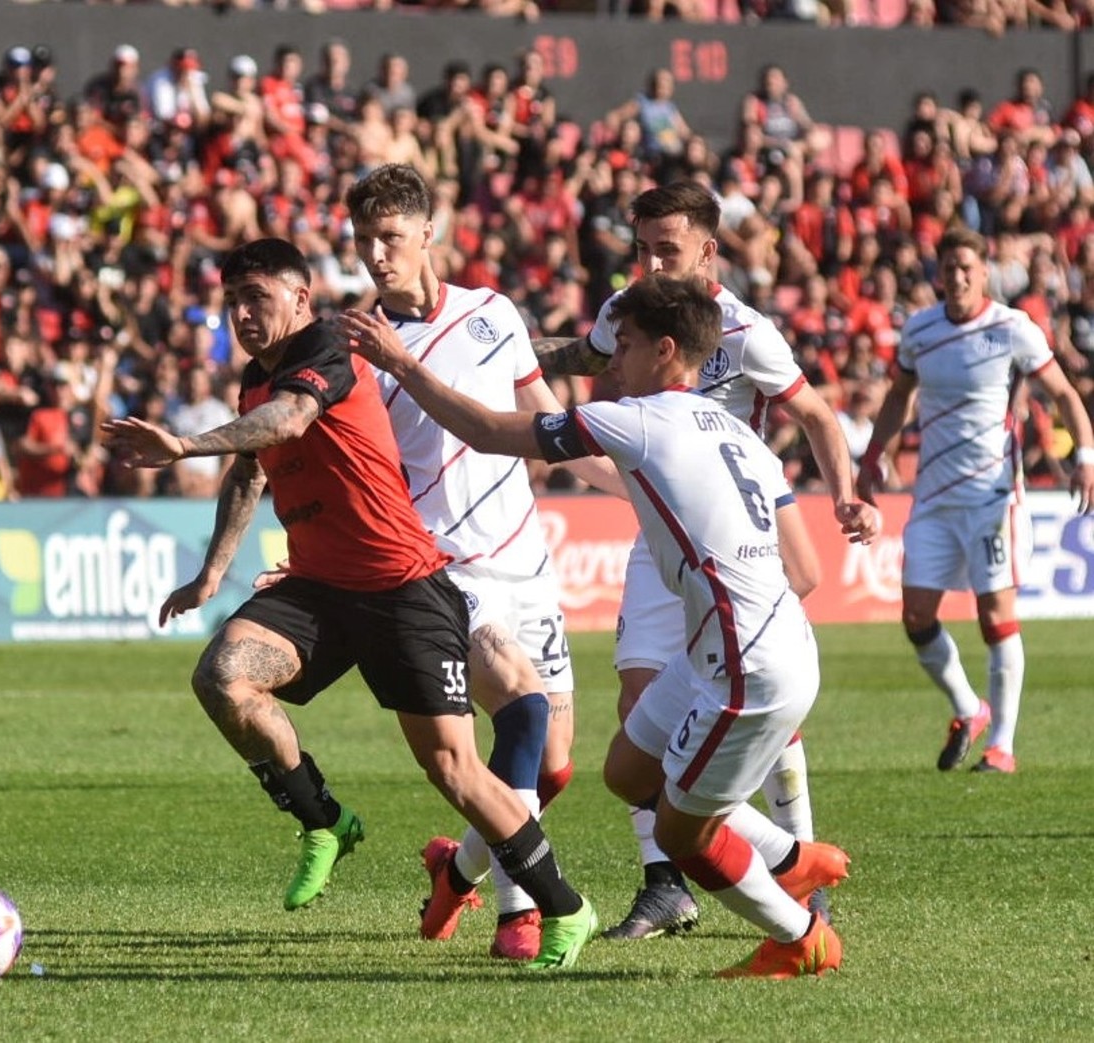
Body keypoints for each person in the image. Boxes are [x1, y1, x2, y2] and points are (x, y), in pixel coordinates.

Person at [102, 236, 598, 970]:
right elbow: (251, 466)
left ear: (299, 298)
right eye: (233, 300)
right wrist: (212, 572)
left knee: (456, 771)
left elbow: (287, 423)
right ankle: (325, 819)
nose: (241, 313)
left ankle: (565, 906)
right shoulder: (254, 377)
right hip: (318, 587)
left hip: (402, 587)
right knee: (222, 677)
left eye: (257, 298)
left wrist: (180, 445)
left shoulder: (325, 348)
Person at [343, 272, 850, 979]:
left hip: (746, 666)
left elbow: (489, 431)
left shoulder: (633, 419)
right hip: (739, 646)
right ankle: (788, 857)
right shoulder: (737, 432)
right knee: (625, 769)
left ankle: (800, 937)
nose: (609, 361)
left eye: (626, 345)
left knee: (680, 833)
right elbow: (803, 567)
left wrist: (400, 362)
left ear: (666, 350)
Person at [535, 180, 879, 940]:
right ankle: (667, 882)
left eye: (668, 247)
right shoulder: (625, 310)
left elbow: (816, 413)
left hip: (739, 538)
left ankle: (800, 876)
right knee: (636, 708)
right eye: (643, 247)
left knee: (756, 708)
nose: (652, 262)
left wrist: (845, 495)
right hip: (660, 526)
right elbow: (584, 358)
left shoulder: (745, 332)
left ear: (706, 249)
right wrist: (502, 351)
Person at [338, 163, 621, 960]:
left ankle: (455, 866)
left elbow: (547, 424)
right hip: (443, 573)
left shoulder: (491, 312)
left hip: (527, 563)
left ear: (429, 232)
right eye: (364, 240)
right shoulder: (360, 351)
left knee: (551, 770)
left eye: (390, 237)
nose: (376, 255)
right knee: (521, 711)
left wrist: (633, 485)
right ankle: (518, 913)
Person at [857, 227, 1094, 775]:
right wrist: (872, 459)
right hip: (933, 497)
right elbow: (898, 397)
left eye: (967, 267)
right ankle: (970, 708)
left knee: (996, 617)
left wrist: (1085, 455)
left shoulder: (1012, 329)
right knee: (916, 616)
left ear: (984, 272)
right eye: (949, 268)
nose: (958, 276)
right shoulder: (920, 330)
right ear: (938, 275)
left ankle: (1002, 747)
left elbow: (1064, 393)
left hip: (992, 497)